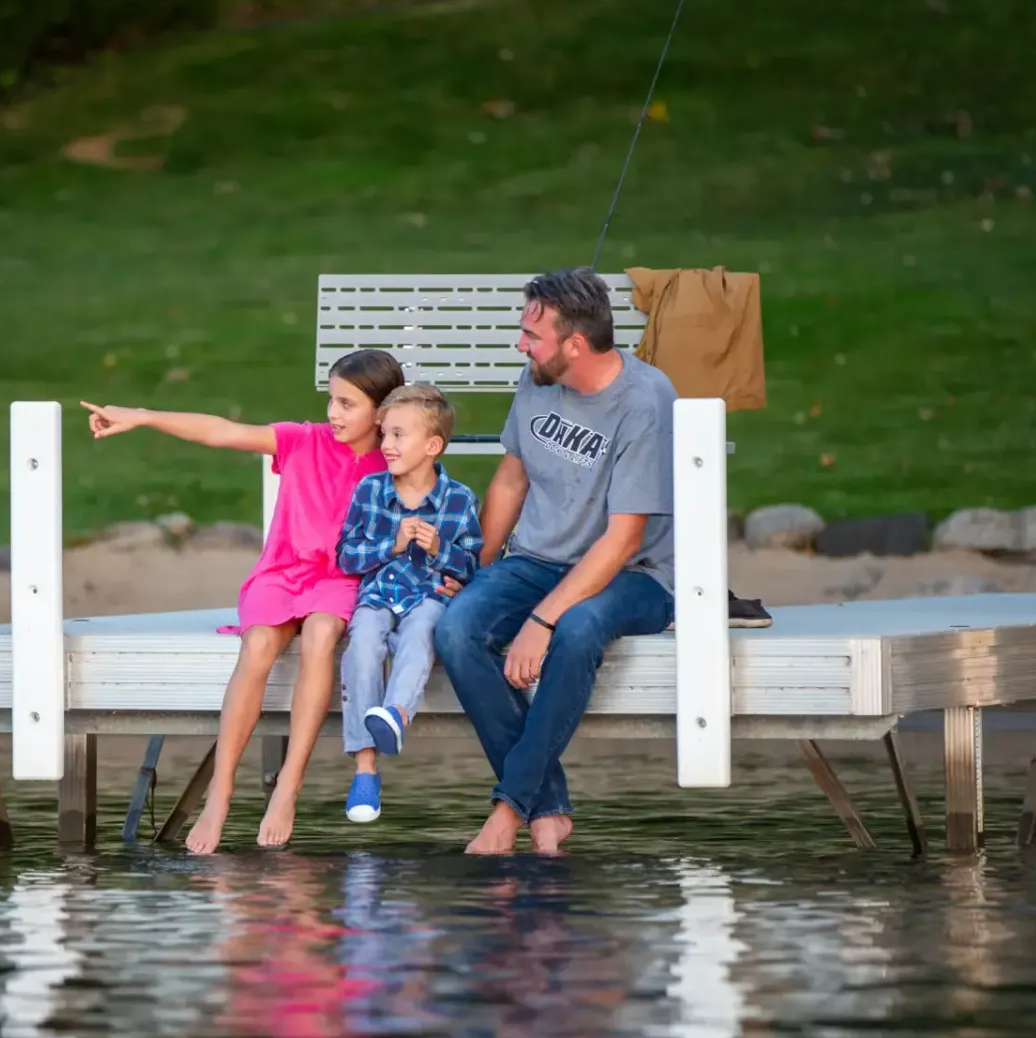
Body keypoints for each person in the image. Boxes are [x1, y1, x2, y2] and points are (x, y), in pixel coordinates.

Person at [81, 348, 406, 854]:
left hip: (340, 578)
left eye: (347, 404)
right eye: (331, 401)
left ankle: (288, 787)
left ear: (381, 412)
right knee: (257, 648)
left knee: (321, 635)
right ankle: (220, 794)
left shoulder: (393, 461)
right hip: (282, 571)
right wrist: (142, 417)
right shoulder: (304, 440)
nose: (333, 414)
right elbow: (220, 431)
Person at [431, 267, 677, 856]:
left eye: (532, 335)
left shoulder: (646, 401)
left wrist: (539, 622)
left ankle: (509, 809)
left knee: (577, 625)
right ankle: (550, 811)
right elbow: (512, 479)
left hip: (634, 574)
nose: (521, 345)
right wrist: (471, 568)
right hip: (537, 559)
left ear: (575, 344)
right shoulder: (538, 377)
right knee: (457, 628)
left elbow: (622, 539)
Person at [333, 383, 482, 823]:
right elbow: (346, 555)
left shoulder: (459, 500)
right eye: (385, 434)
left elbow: (472, 566)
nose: (387, 444)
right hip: (379, 594)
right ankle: (365, 768)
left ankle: (395, 714)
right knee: (362, 644)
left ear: (432, 446)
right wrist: (392, 546)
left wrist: (440, 550)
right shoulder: (370, 490)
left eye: (399, 435)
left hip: (430, 596)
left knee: (421, 634)